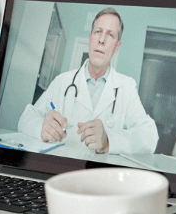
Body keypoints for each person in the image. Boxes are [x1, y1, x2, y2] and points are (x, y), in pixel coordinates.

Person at [17, 8, 158, 155]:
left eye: (110, 35)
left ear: (117, 46)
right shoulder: (62, 82)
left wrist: (109, 141)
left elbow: (149, 136)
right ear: (90, 39)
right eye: (98, 32)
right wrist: (41, 127)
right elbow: (25, 118)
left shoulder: (126, 87)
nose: (101, 40)